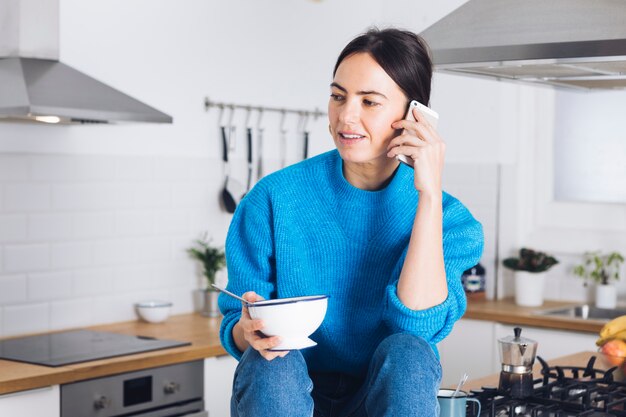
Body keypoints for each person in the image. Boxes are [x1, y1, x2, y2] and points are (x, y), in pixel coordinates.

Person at [218, 27, 484, 417]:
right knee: (275, 362)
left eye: (370, 102)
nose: (346, 116)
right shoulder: (273, 198)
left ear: (414, 115)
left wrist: (428, 194)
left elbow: (417, 326)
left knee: (409, 351)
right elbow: (234, 324)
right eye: (338, 96)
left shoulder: (450, 220)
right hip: (284, 392)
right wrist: (248, 332)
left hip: (383, 397)